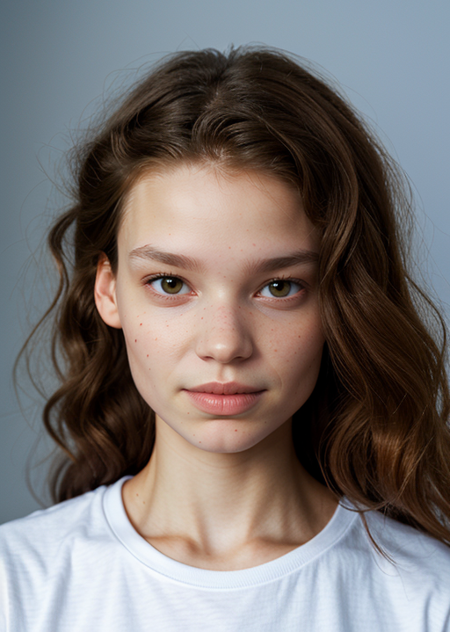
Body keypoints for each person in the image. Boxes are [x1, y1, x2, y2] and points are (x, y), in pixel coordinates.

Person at [1, 46, 450, 632]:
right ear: (107, 292)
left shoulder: (426, 600)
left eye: (279, 286)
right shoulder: (16, 587)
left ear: (340, 300)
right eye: (170, 283)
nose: (224, 344)